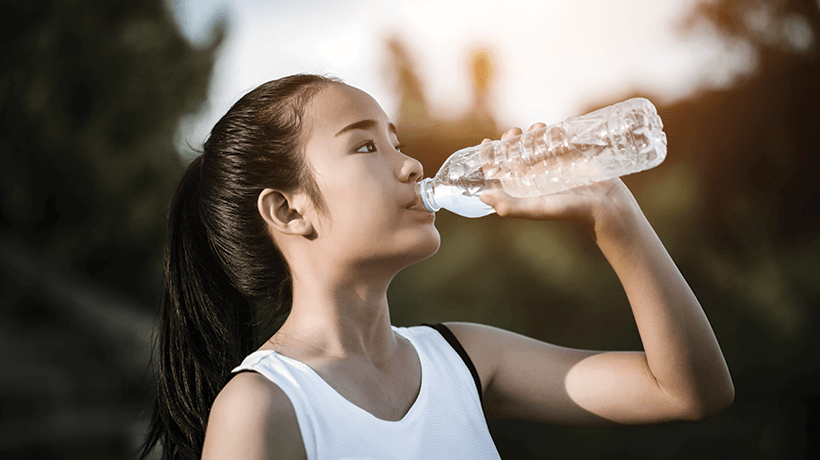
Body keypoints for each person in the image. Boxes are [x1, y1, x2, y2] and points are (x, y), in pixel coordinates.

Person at [139, 74, 734, 460]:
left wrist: (613, 213)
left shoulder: (465, 360)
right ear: (288, 210)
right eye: (366, 146)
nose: (412, 166)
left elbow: (689, 391)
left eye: (397, 142)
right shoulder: (262, 409)